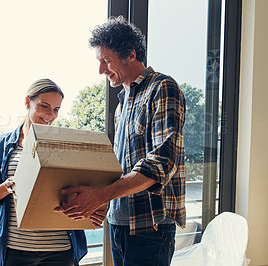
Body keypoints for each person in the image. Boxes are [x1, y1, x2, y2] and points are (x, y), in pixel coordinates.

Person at [54, 16, 186, 266]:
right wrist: (103, 206)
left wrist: (101, 195)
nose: (101, 71)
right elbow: (119, 168)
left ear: (131, 55)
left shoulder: (162, 88)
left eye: (106, 61)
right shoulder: (123, 102)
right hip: (119, 223)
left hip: (150, 227)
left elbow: (162, 163)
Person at [0, 79, 92, 266]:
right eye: (44, 106)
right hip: (14, 251)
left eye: (56, 110)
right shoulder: (1, 145)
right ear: (27, 102)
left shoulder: (66, 144)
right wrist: (6, 187)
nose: (50, 115)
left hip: (60, 250)